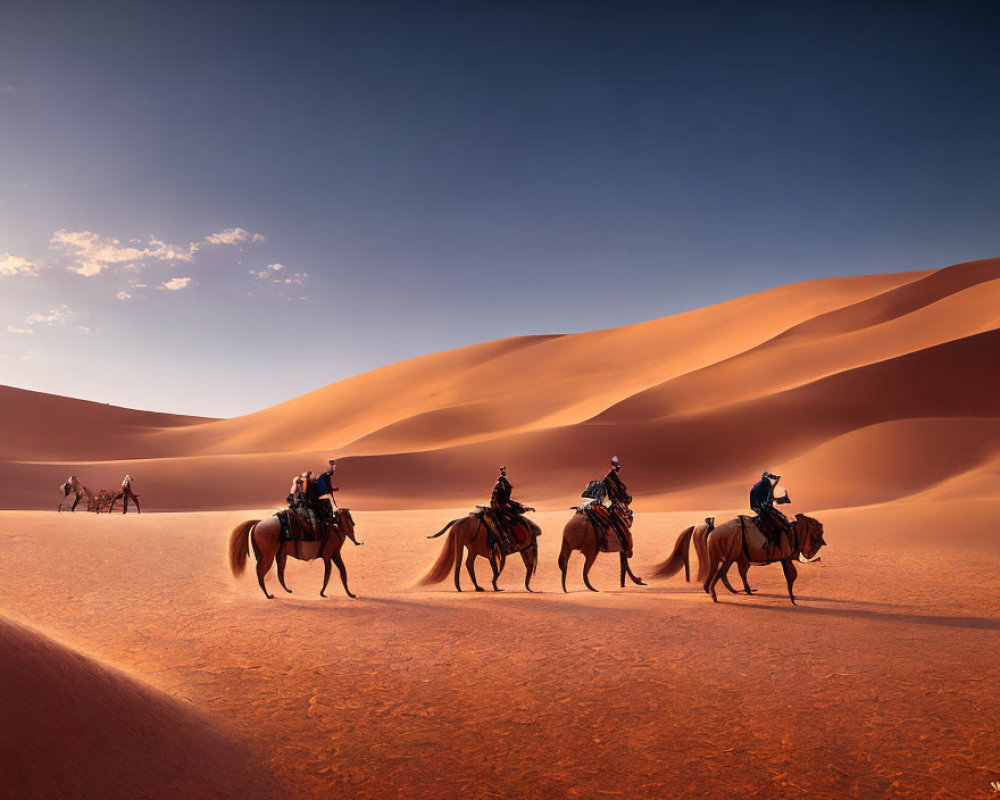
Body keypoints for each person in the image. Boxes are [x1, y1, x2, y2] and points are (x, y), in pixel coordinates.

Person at [489, 465, 531, 554]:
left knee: (512, 519)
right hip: (498, 508)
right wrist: (502, 508)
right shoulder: (501, 486)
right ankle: (507, 542)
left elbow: (505, 500)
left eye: (504, 472)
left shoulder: (501, 485)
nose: (504, 473)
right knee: (513, 521)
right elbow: (499, 500)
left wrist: (519, 506)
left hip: (498, 506)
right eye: (503, 472)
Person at [750, 471, 792, 546]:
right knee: (779, 526)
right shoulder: (765, 486)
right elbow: (765, 500)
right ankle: (774, 545)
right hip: (764, 510)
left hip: (760, 509)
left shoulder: (762, 485)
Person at [601, 456, 632, 551]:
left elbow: (618, 487)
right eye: (617, 468)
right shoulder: (612, 475)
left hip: (607, 498)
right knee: (621, 515)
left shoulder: (609, 475)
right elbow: (618, 488)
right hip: (610, 500)